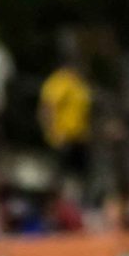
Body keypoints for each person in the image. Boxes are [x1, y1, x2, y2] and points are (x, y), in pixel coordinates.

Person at [38, 52, 92, 186]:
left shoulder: (80, 84)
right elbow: (47, 109)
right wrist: (52, 131)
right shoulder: (58, 83)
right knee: (61, 173)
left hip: (80, 136)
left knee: (80, 174)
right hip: (63, 135)